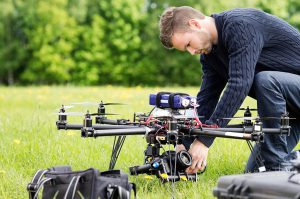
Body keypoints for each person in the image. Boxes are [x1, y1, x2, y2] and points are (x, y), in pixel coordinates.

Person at [159, 6, 300, 173]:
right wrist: (185, 142)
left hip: (291, 94)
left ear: (195, 24)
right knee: (255, 175)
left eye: (189, 44)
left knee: (266, 81)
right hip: (288, 108)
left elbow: (239, 84)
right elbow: (206, 100)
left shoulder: (239, 25)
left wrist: (205, 140)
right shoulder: (210, 56)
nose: (192, 52)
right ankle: (280, 168)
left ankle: (277, 168)